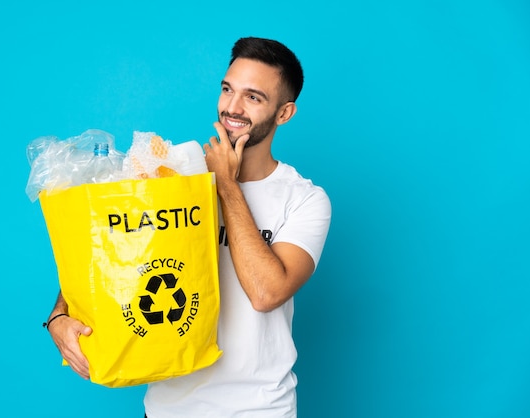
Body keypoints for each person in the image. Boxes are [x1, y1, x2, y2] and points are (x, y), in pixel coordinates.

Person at [44, 36, 332, 417]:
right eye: (228, 89)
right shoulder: (173, 173)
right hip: (167, 408)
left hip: (259, 409)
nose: (232, 107)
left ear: (284, 113)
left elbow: (266, 293)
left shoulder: (305, 200)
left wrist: (226, 185)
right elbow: (106, 258)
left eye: (253, 97)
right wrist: (58, 316)